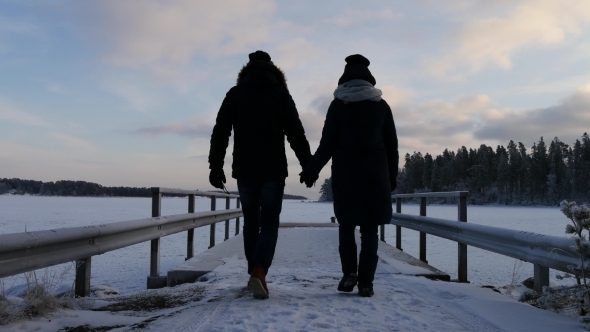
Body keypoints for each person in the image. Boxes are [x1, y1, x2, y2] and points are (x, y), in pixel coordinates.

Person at [208, 51, 312, 299]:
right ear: (273, 69)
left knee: (251, 222)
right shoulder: (280, 94)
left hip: (244, 170)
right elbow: (296, 132)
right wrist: (308, 164)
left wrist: (215, 165)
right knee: (269, 222)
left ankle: (254, 272)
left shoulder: (235, 94)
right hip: (273, 170)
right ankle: (259, 271)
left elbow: (221, 131)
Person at [300, 54, 398, 297]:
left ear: (345, 77)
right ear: (369, 78)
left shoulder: (339, 104)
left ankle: (349, 275)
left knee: (346, 225)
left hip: (346, 173)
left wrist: (311, 170)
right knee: (370, 229)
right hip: (375, 174)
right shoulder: (381, 105)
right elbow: (392, 146)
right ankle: (366, 282)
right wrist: (391, 178)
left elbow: (327, 144)